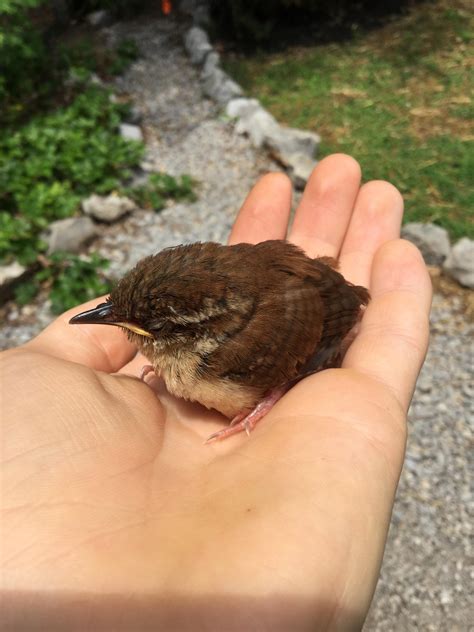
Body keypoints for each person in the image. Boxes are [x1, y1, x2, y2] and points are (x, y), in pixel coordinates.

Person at [0, 154, 432, 630]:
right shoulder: (187, 338)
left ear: (196, 334)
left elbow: (323, 334)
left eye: (152, 327)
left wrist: (267, 399)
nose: (116, 324)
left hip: (317, 306)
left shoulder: (234, 354)